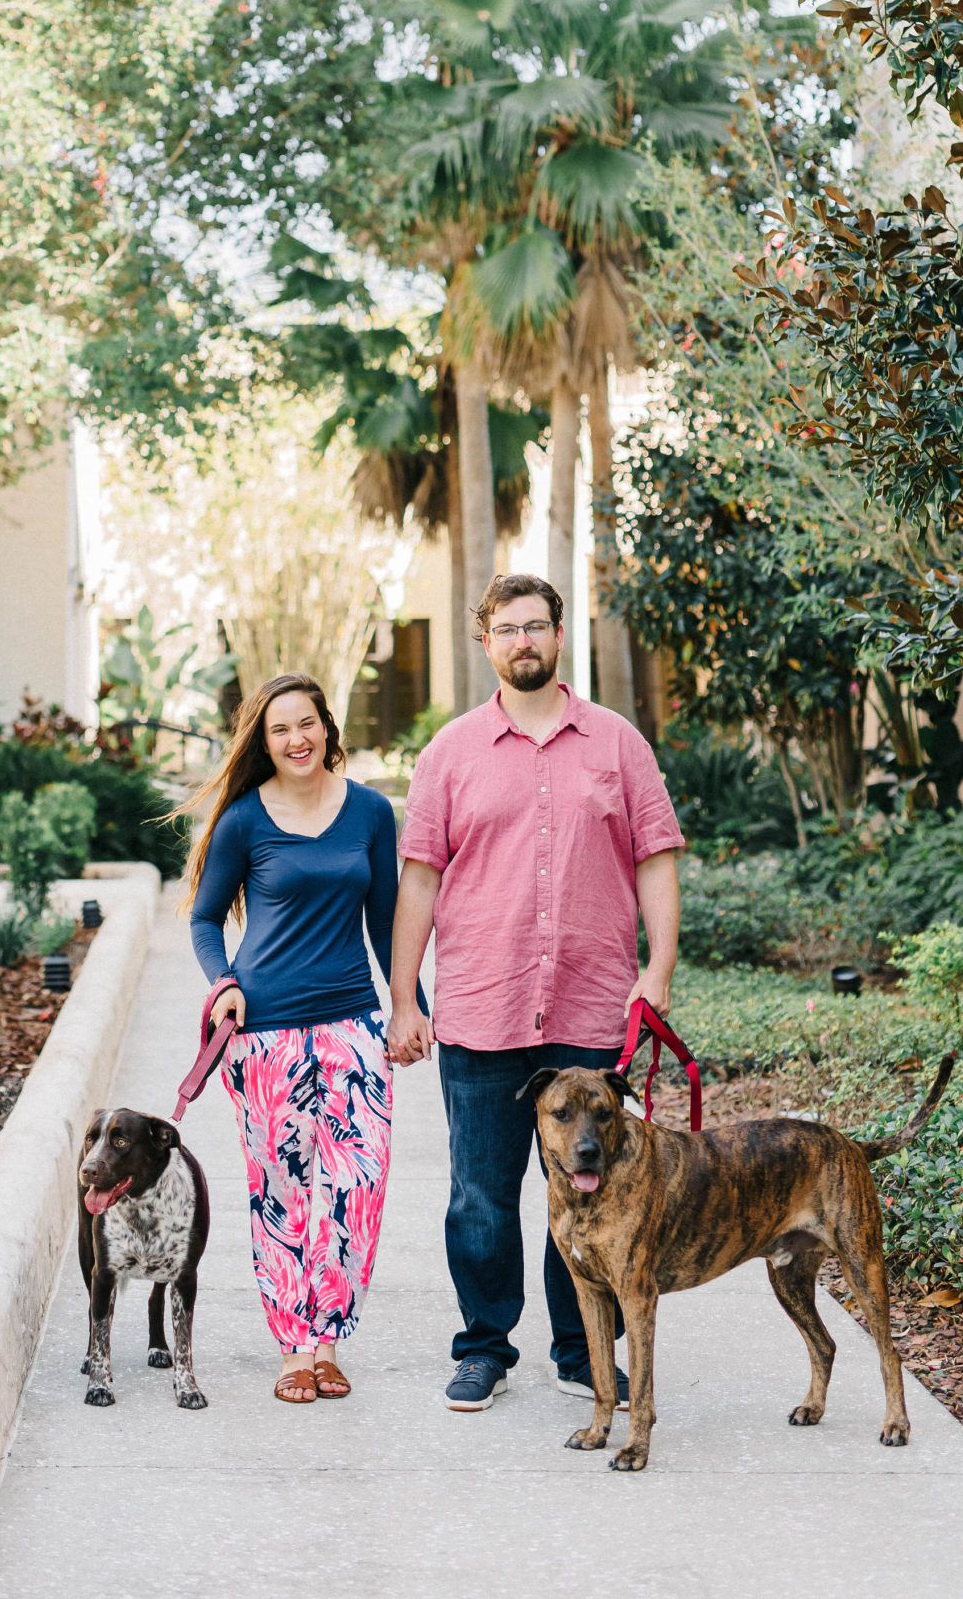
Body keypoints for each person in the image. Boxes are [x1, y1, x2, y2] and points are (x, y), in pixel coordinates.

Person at [387, 574, 683, 1412]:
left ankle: (580, 1351)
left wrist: (654, 972)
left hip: (591, 1012)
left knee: (592, 1188)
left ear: (559, 636)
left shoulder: (618, 744)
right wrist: (405, 998)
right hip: (482, 1008)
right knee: (479, 1196)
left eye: (537, 626)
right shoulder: (448, 753)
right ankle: (484, 1347)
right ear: (486, 643)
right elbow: (418, 880)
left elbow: (655, 857)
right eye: (507, 629)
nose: (523, 641)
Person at [187, 671, 420, 1405]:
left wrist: (407, 1004)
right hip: (265, 1033)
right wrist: (221, 981)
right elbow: (203, 918)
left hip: (353, 1023)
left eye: (307, 723)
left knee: (357, 1189)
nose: (297, 738)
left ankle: (329, 1341)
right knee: (281, 1189)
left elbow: (385, 920)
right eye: (280, 728)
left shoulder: (370, 814)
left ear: (328, 728)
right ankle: (293, 1347)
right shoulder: (243, 823)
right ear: (264, 741)